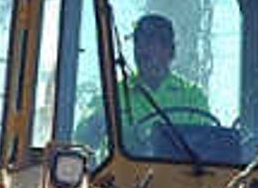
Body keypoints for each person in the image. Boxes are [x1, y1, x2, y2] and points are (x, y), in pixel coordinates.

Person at [92, 9, 216, 157]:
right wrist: (95, 123)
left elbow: (207, 147)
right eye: (140, 43)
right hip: (125, 176)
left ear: (171, 51)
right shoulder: (113, 95)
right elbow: (82, 141)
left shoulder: (193, 97)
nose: (145, 51)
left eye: (155, 43)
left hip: (183, 177)